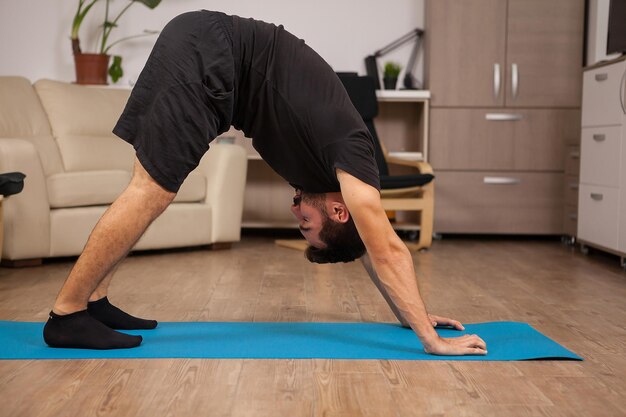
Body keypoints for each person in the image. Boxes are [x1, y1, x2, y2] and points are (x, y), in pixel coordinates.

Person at [43, 10, 487, 355]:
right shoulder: (353, 163)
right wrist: (432, 339)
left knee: (149, 188)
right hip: (211, 56)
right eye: (307, 224)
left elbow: (369, 246)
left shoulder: (333, 182)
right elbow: (388, 249)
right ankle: (67, 314)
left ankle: (95, 302)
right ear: (338, 210)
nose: (296, 212)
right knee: (152, 191)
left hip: (211, 57)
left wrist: (411, 317)